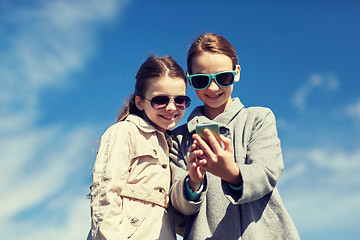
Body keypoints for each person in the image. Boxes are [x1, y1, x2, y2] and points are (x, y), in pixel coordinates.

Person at [169, 33, 300, 239]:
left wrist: (232, 173)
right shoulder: (178, 138)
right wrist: (192, 182)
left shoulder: (259, 118)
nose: (213, 88)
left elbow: (268, 173)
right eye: (202, 80)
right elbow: (177, 206)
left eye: (223, 78)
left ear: (236, 73)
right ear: (190, 81)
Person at [87, 55, 191, 240]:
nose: (171, 107)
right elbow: (106, 193)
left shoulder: (172, 145)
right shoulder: (123, 132)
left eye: (180, 100)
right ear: (140, 102)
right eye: (161, 100)